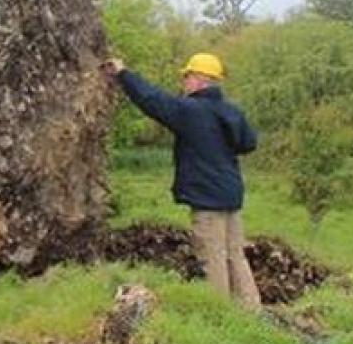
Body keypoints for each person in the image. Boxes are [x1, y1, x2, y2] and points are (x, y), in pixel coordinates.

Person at [104, 53, 261, 308]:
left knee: (212, 257)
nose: (183, 82)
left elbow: (152, 100)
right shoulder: (231, 111)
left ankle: (219, 314)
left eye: (187, 76)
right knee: (235, 255)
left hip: (207, 198)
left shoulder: (190, 110)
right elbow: (248, 143)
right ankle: (251, 310)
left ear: (200, 79)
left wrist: (123, 74)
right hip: (231, 195)